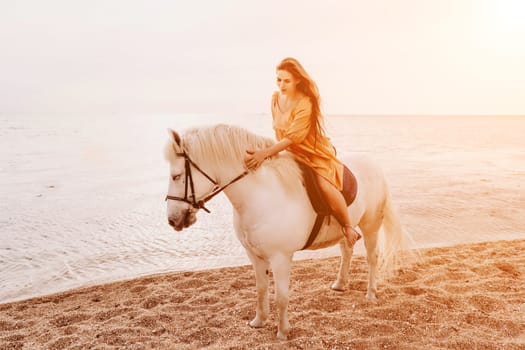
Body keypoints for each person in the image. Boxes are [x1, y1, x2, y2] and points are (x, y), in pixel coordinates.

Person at [244, 57, 361, 248]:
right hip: (288, 150)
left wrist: (265, 153)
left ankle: (348, 227)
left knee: (324, 185)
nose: (281, 85)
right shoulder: (275, 99)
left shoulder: (305, 102)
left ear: (298, 80)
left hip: (313, 152)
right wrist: (269, 152)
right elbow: (279, 132)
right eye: (278, 80)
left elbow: (293, 137)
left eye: (286, 80)